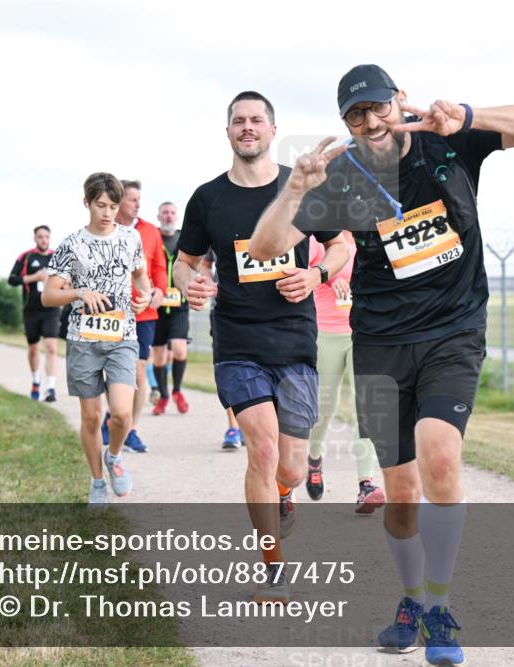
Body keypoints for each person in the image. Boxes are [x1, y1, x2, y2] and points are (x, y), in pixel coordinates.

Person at [251, 64, 514, 663]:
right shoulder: (340, 174)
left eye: (378, 107)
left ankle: (441, 609)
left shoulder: (447, 139)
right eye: (356, 115)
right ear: (347, 123)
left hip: (453, 331)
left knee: (441, 455)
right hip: (379, 345)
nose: (371, 122)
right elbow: (265, 248)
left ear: (400, 99)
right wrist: (294, 189)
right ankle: (412, 598)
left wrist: (471, 116)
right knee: (401, 498)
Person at [174, 91, 349, 603]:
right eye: (238, 121)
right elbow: (184, 262)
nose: (247, 127)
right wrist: (191, 284)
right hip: (237, 342)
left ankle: (285, 492)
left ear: (272, 130)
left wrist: (314, 272)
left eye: (256, 120)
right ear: (227, 132)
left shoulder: (301, 184)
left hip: (295, 341)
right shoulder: (207, 198)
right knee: (263, 447)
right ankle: (272, 567)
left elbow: (342, 245)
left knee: (289, 466)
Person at [41, 172, 151, 505]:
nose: (107, 212)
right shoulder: (71, 245)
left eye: (113, 206)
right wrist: (79, 292)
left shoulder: (131, 238)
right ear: (86, 202)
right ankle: (97, 482)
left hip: (122, 336)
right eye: (100, 205)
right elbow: (48, 296)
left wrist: (146, 297)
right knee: (90, 417)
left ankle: (114, 457)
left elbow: (142, 281)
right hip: (83, 338)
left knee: (121, 414)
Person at [305, 232, 386, 514]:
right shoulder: (321, 238)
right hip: (326, 333)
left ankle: (366, 484)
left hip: (362, 334)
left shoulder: (370, 237)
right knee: (324, 409)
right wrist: (331, 275)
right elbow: (306, 272)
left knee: (366, 407)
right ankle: (314, 458)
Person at [98, 180, 167, 453]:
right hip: (111, 311)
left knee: (139, 368)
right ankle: (115, 414)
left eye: (139, 199)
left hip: (143, 312)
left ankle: (131, 428)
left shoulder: (150, 231)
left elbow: (159, 267)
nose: (138, 203)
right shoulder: (103, 229)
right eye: (132, 199)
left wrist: (159, 290)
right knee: (111, 369)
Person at [8, 225, 60, 401]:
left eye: (46, 236)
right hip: (31, 310)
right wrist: (34, 277)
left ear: (50, 238)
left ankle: (51, 387)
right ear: (35, 238)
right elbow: (12, 279)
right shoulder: (26, 257)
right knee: (33, 349)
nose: (43, 240)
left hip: (51, 310)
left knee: (52, 347)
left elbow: (68, 281)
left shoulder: (57, 257)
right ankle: (36, 380)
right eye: (40, 237)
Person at [151, 201, 192, 416]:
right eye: (165, 212)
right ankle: (164, 395)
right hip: (156, 305)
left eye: (172, 213)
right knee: (158, 355)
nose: (168, 216)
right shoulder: (152, 238)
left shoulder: (183, 237)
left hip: (179, 305)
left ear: (177, 216)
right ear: (158, 216)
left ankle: (177, 391)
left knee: (179, 348)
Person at [202, 247, 244, 449]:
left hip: (264, 310)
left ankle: (250, 424)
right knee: (230, 365)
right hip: (225, 308)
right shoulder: (219, 220)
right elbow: (204, 263)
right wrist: (210, 285)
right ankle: (233, 427)